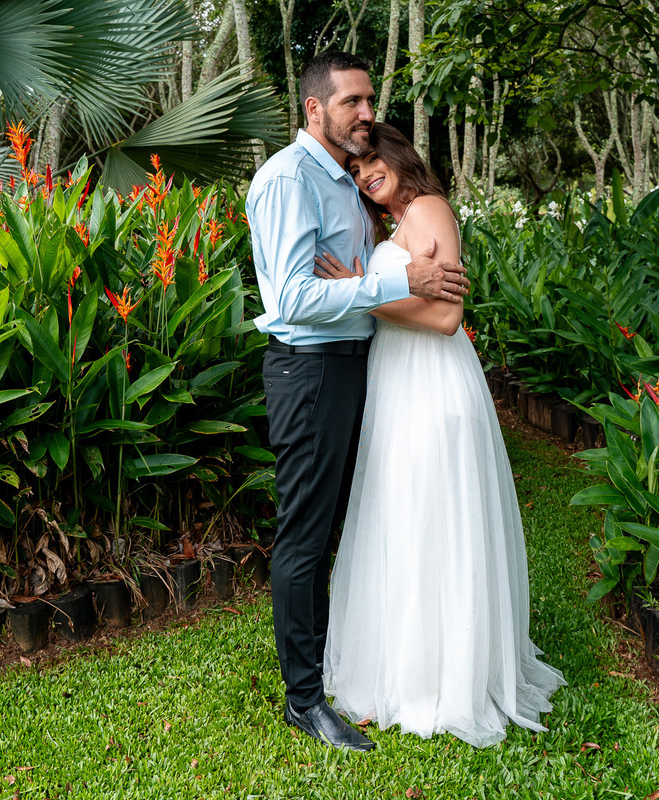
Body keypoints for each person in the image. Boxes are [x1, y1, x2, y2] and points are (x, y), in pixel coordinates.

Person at [314, 123, 567, 748]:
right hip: (397, 383)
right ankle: (403, 663)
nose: (365, 172)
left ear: (398, 153)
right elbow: (412, 297)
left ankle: (445, 676)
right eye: (355, 167)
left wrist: (360, 294)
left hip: (433, 384)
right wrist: (370, 291)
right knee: (400, 516)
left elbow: (448, 317)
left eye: (373, 158)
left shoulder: (428, 208)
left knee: (434, 515)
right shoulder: (392, 224)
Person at [245, 52, 469, 752]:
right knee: (306, 536)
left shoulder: (341, 179)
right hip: (308, 371)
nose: (367, 113)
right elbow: (291, 299)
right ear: (314, 109)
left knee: (334, 528)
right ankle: (304, 699)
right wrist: (389, 284)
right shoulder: (287, 179)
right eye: (352, 102)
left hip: (350, 367)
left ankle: (332, 669)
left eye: (370, 100)